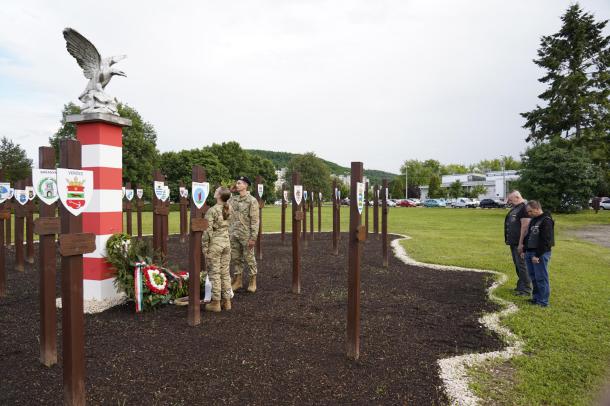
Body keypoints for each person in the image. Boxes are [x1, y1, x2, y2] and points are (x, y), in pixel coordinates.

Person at [202, 187, 233, 312]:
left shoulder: (212, 210)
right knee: (225, 272)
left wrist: (205, 247)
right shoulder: (228, 208)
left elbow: (207, 231)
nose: (214, 191)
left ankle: (216, 303)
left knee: (215, 273)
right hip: (226, 243)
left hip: (215, 244)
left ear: (219, 195)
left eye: (216, 190)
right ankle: (227, 301)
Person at [229, 176, 260, 293]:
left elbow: (255, 220)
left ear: (246, 185)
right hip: (233, 233)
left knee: (249, 258)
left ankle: (253, 280)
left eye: (239, 183)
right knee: (236, 258)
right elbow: (223, 203)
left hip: (246, 235)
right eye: (236, 183)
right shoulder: (233, 199)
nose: (237, 185)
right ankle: (238, 280)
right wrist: (229, 191)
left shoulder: (252, 200)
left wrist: (253, 238)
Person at [522, 200, 555, 307]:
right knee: (533, 277)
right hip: (529, 252)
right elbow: (529, 236)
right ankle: (536, 298)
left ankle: (543, 302)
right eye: (528, 212)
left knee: (541, 277)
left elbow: (546, 241)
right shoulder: (534, 220)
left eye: (530, 211)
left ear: (537, 208)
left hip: (539, 254)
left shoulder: (546, 220)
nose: (529, 214)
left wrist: (537, 255)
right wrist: (524, 250)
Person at [504, 190, 532, 296]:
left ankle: (526, 289)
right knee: (518, 265)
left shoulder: (524, 208)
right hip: (513, 242)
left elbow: (525, 227)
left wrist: (521, 243)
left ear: (517, 197)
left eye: (511, 199)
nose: (509, 201)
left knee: (522, 265)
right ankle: (521, 286)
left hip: (519, 243)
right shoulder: (516, 208)